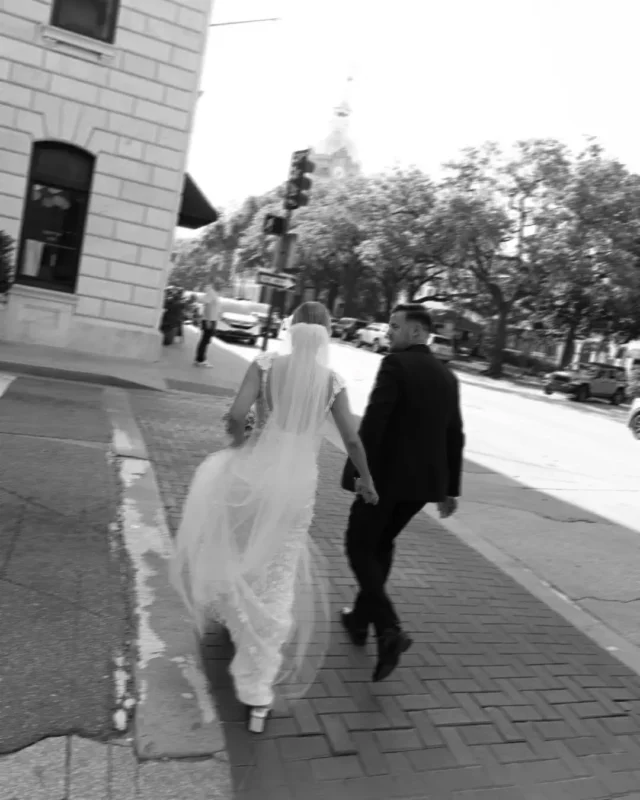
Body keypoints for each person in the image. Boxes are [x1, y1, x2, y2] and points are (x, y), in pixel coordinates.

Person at [171, 301, 378, 733]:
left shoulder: (265, 366)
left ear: (293, 328)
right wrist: (367, 482)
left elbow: (235, 415)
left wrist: (240, 439)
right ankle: (258, 688)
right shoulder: (333, 383)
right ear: (325, 335)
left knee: (241, 546)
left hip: (253, 472)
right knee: (278, 571)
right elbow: (353, 441)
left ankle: (232, 613)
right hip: (296, 488)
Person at [341, 303, 465, 682]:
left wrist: (359, 475)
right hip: (421, 487)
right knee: (381, 545)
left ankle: (390, 629)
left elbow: (375, 424)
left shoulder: (395, 366)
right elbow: (454, 435)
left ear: (416, 332)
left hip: (384, 482)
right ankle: (361, 621)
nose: (389, 332)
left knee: (358, 546)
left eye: (395, 327)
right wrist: (449, 490)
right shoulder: (448, 377)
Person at [194, 279, 221, 367]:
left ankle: (201, 359)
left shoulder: (213, 293)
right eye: (219, 284)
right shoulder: (211, 293)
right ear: (214, 284)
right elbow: (206, 305)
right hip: (209, 320)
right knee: (205, 340)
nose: (221, 286)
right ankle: (200, 360)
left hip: (212, 320)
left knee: (206, 340)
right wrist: (208, 320)